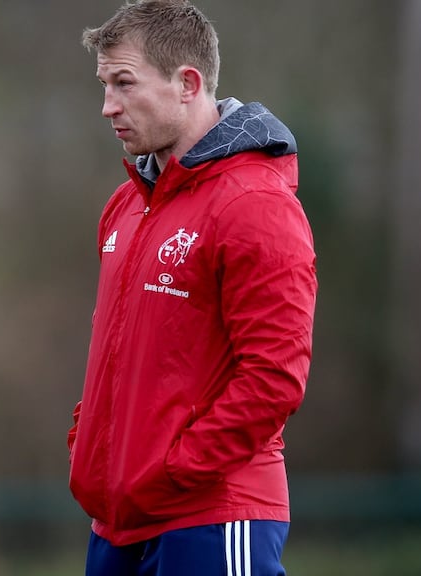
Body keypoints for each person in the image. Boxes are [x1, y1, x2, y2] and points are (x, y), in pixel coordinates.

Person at [67, 1, 317, 574]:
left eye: (124, 84)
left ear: (187, 83)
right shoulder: (125, 206)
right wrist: (94, 445)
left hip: (213, 517)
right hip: (117, 519)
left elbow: (274, 378)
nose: (108, 107)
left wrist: (173, 468)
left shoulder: (256, 204)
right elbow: (119, 357)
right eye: (105, 85)